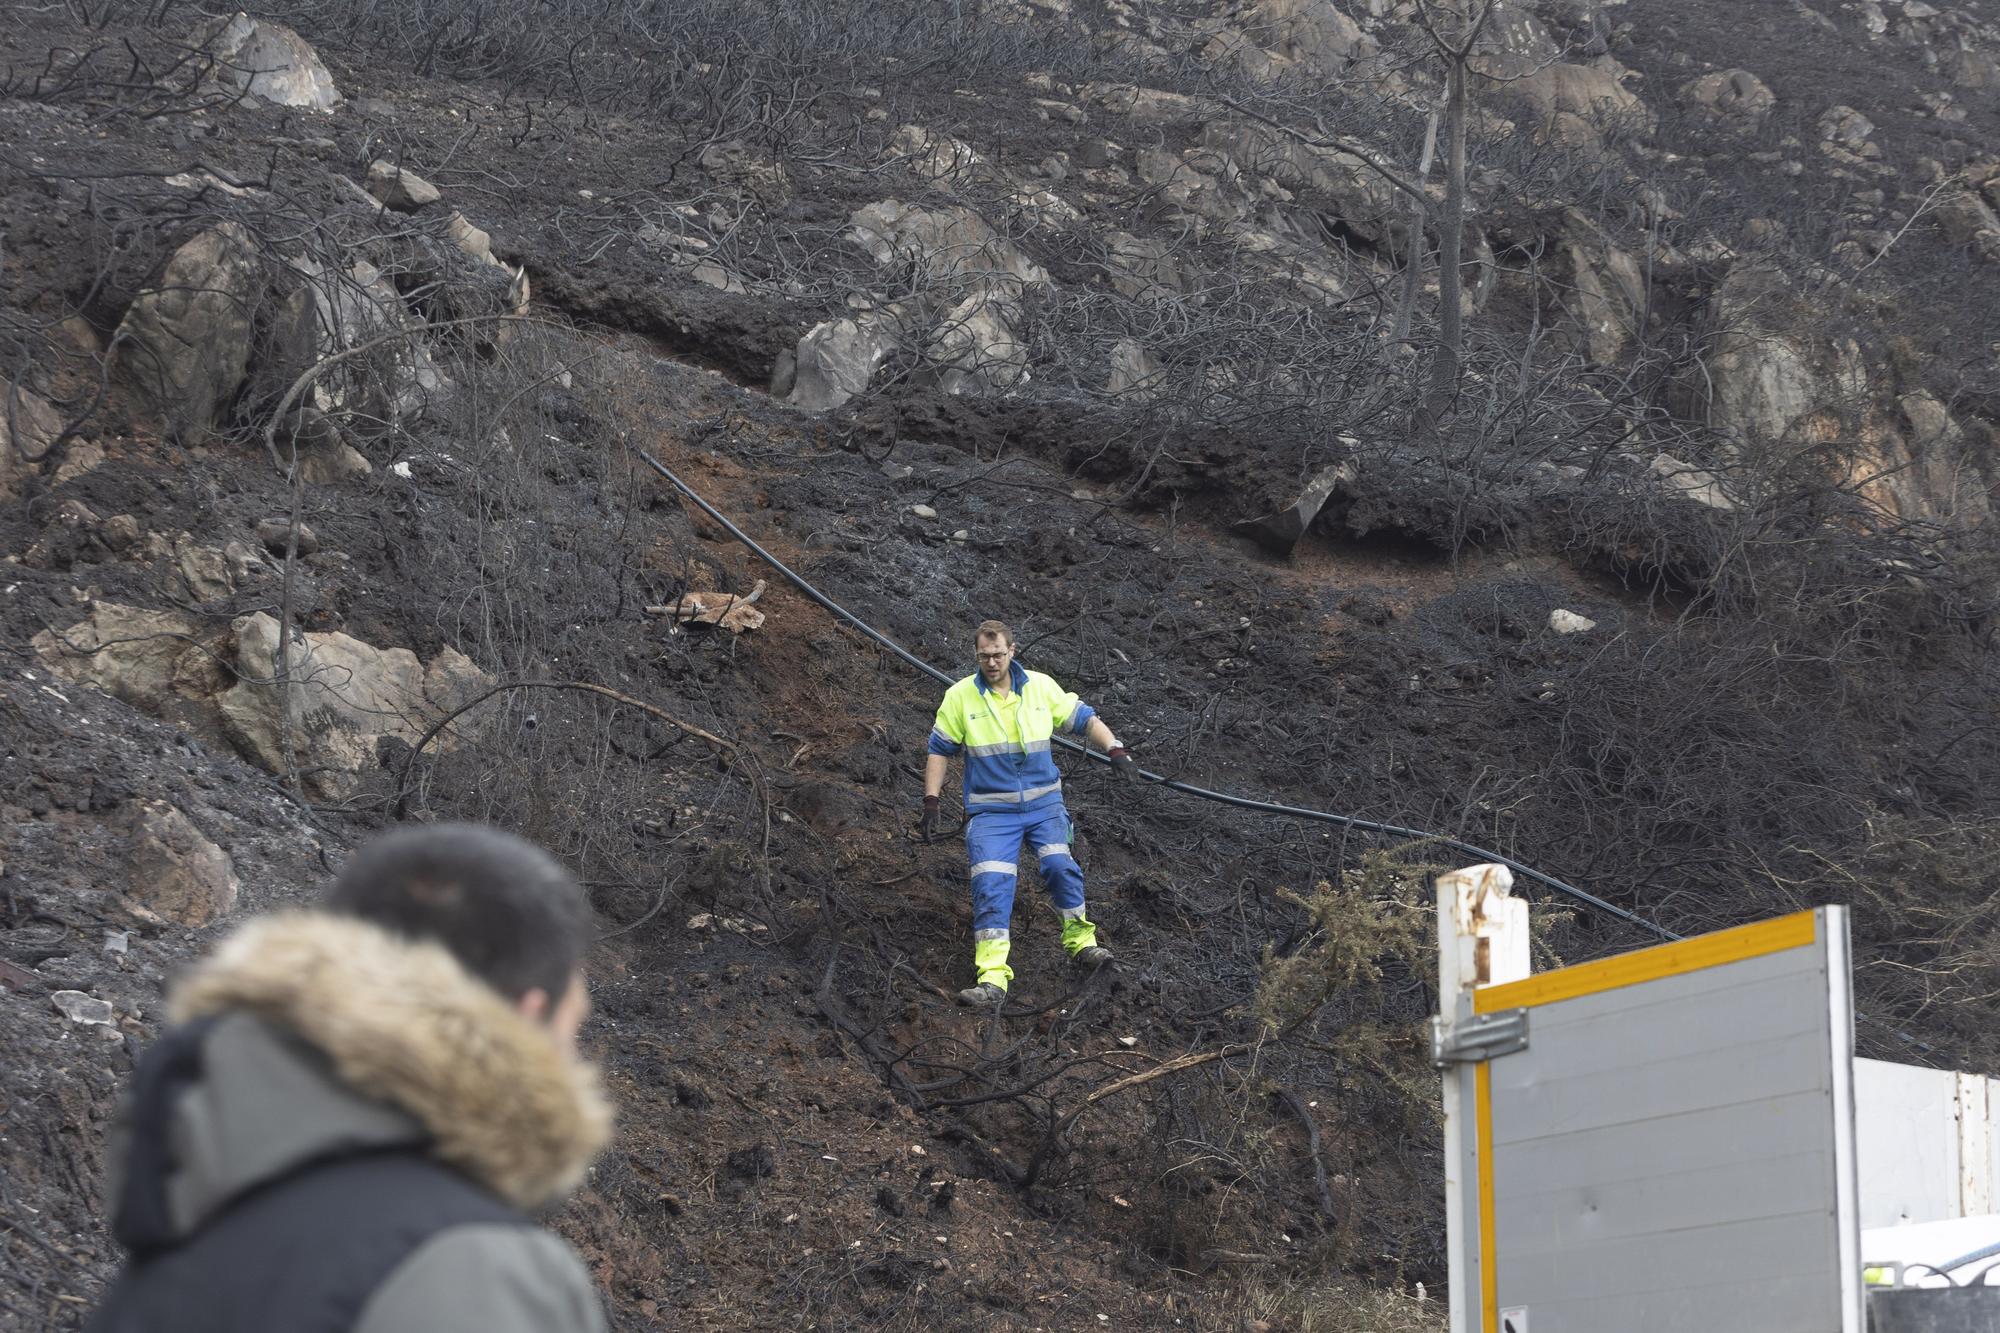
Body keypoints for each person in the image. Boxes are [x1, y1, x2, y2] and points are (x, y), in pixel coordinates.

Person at [86, 823, 614, 1333]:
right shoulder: (472, 1269)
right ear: (526, 1018)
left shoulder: (189, 1228)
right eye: (573, 1031)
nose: (573, 1062)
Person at [923, 619, 1136, 1006]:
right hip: (991, 814)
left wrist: (1115, 749)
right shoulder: (960, 697)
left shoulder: (1039, 687)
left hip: (1043, 806)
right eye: (985, 656)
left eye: (998, 655)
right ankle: (992, 980)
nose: (991, 663)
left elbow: (1084, 718)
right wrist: (931, 800)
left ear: (1012, 651)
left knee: (1059, 866)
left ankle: (1081, 944)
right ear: (977, 655)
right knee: (991, 884)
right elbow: (939, 748)